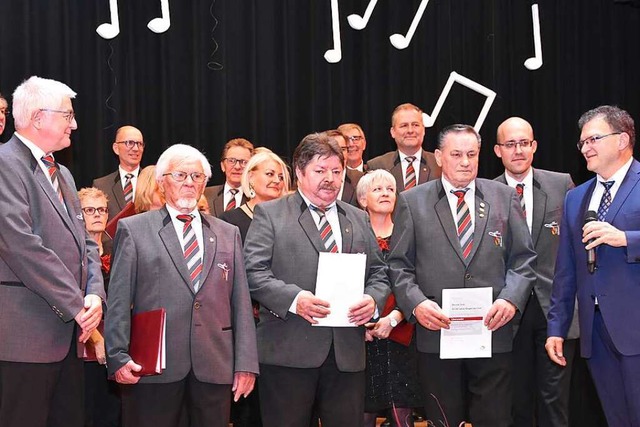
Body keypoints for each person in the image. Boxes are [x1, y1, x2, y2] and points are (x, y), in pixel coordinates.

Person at [388, 124, 536, 427]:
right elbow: (398, 265)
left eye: (472, 154)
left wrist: (510, 299)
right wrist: (416, 304)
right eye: (457, 154)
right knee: (443, 419)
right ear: (440, 156)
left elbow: (523, 259)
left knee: (495, 418)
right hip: (437, 332)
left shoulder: (504, 197)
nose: (465, 162)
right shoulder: (412, 201)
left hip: (492, 330)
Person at [105, 143, 259, 427]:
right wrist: (117, 355)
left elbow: (241, 302)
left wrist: (246, 363)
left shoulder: (228, 233)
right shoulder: (134, 230)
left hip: (214, 365)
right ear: (162, 182)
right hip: (152, 368)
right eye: (180, 176)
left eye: (197, 177)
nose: (190, 183)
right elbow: (117, 299)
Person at [244, 133, 390, 427]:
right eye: (320, 171)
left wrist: (373, 300)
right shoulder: (270, 214)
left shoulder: (358, 218)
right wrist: (296, 300)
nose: (330, 179)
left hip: (346, 355)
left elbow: (379, 272)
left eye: (336, 172)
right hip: (288, 353)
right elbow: (253, 271)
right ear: (299, 172)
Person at [0, 76, 105, 427]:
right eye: (67, 115)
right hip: (23, 341)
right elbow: (21, 244)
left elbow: (86, 242)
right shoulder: (4, 164)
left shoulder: (64, 175)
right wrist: (77, 303)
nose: (74, 124)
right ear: (39, 117)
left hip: (68, 339)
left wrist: (94, 296)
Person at [546, 105, 640, 427]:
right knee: (617, 419)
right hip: (595, 333)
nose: (586, 148)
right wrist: (556, 328)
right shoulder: (577, 197)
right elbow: (565, 270)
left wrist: (626, 239)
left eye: (594, 139)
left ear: (623, 139)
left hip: (636, 327)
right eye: (582, 142)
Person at [493, 117, 578, 427]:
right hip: (506, 311)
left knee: (555, 400)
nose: (518, 150)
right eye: (510, 144)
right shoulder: (485, 192)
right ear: (497, 150)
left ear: (535, 146)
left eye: (524, 143)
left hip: (553, 308)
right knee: (515, 399)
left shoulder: (561, 184)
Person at [357, 169, 422, 427]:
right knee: (363, 411)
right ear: (363, 200)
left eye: (390, 189)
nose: (385, 193)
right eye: (377, 189)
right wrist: (362, 324)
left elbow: (417, 281)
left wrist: (395, 318)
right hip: (362, 337)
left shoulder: (410, 234)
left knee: (401, 411)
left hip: (402, 334)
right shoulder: (352, 235)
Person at [78, 187, 121, 427]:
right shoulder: (73, 251)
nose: (97, 214)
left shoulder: (118, 249)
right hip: (86, 343)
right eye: (89, 210)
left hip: (117, 342)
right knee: (89, 411)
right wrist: (96, 338)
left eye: (102, 209)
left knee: (114, 413)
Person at [219, 148, 291, 243]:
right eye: (270, 174)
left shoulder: (291, 218)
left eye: (281, 177)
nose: (277, 181)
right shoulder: (229, 221)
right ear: (251, 177)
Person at [366, 103, 441, 192]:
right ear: (393, 132)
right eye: (404, 126)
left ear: (423, 130)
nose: (410, 130)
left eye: (415, 125)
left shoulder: (440, 164)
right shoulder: (377, 166)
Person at [93, 125, 145, 220]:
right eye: (130, 143)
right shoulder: (101, 185)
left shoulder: (152, 182)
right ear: (116, 148)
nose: (136, 149)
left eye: (139, 144)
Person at [204, 138, 254, 216]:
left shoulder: (255, 198)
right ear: (223, 166)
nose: (237, 167)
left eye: (244, 162)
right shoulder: (206, 194)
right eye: (231, 161)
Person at [326, 129, 364, 208]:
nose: (340, 154)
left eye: (343, 149)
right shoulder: (317, 179)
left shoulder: (361, 179)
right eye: (334, 149)